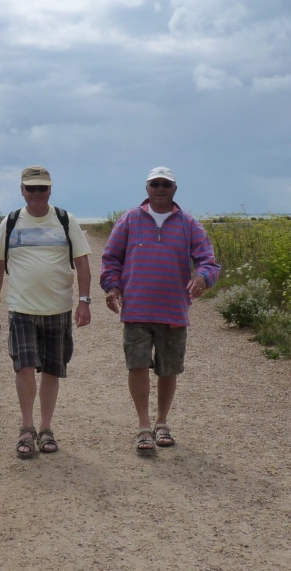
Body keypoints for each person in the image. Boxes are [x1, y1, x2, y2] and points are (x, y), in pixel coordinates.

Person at [99, 167, 220, 454]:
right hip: (136, 310)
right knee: (137, 364)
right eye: (155, 184)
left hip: (173, 311)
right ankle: (144, 426)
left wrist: (203, 277)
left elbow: (208, 261)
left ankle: (162, 422)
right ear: (147, 188)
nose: (160, 188)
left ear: (175, 189)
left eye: (166, 184)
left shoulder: (189, 224)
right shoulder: (129, 220)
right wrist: (112, 286)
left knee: (168, 369)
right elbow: (111, 258)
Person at [0, 166, 92, 459]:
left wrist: (84, 301)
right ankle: (26, 427)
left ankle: (47, 428)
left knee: (51, 369)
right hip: (21, 308)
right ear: (22, 190)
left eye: (41, 188)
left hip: (58, 308)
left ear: (50, 190)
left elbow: (82, 262)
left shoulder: (64, 220)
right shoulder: (9, 222)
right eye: (31, 188)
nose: (36, 194)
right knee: (23, 366)